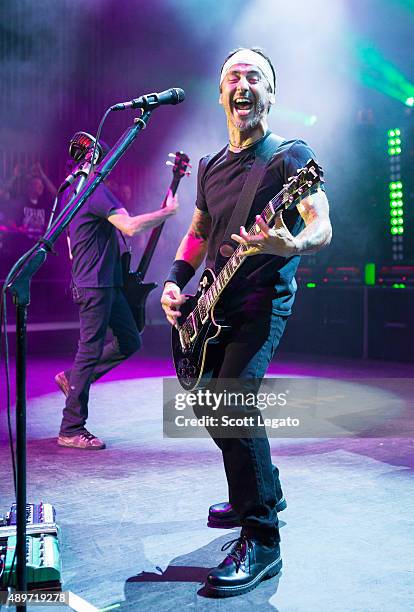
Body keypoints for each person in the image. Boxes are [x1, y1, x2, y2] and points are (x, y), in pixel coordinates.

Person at [161, 47, 332, 597]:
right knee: (207, 403)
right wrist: (175, 279)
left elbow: (321, 223)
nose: (243, 84)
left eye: (254, 76)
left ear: (270, 94)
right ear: (220, 95)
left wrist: (293, 242)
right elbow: (198, 229)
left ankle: (262, 539)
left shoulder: (289, 157)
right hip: (215, 304)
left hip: (263, 301)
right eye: (232, 76)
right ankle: (261, 488)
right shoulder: (209, 167)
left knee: (232, 398)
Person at [56, 181, 178, 450]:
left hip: (106, 282)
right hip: (95, 284)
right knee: (89, 350)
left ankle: (72, 377)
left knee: (130, 339)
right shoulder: (93, 189)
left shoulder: (72, 193)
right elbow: (130, 226)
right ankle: (71, 428)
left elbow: (70, 244)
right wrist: (166, 213)